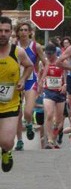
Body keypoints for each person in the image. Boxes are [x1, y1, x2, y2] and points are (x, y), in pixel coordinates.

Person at [0, 16, 33, 172]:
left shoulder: (17, 52)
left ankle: (6, 152)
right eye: (0, 31)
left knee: (6, 142)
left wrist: (22, 79)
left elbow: (29, 66)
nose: (3, 34)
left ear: (11, 33)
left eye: (6, 31)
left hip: (10, 104)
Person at [14, 21, 46, 150]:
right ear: (17, 32)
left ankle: (28, 123)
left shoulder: (35, 46)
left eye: (25, 30)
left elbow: (46, 63)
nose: (23, 32)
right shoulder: (13, 46)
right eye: (21, 30)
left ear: (30, 32)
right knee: (17, 113)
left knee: (28, 111)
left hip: (31, 80)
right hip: (16, 81)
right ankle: (20, 141)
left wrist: (41, 80)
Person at [39, 43, 67, 149]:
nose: (49, 56)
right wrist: (40, 85)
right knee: (49, 114)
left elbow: (66, 75)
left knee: (59, 120)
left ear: (55, 53)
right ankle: (50, 140)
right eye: (47, 54)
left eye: (51, 54)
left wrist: (65, 85)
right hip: (48, 91)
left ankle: (54, 138)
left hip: (60, 92)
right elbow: (40, 75)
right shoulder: (44, 63)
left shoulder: (61, 61)